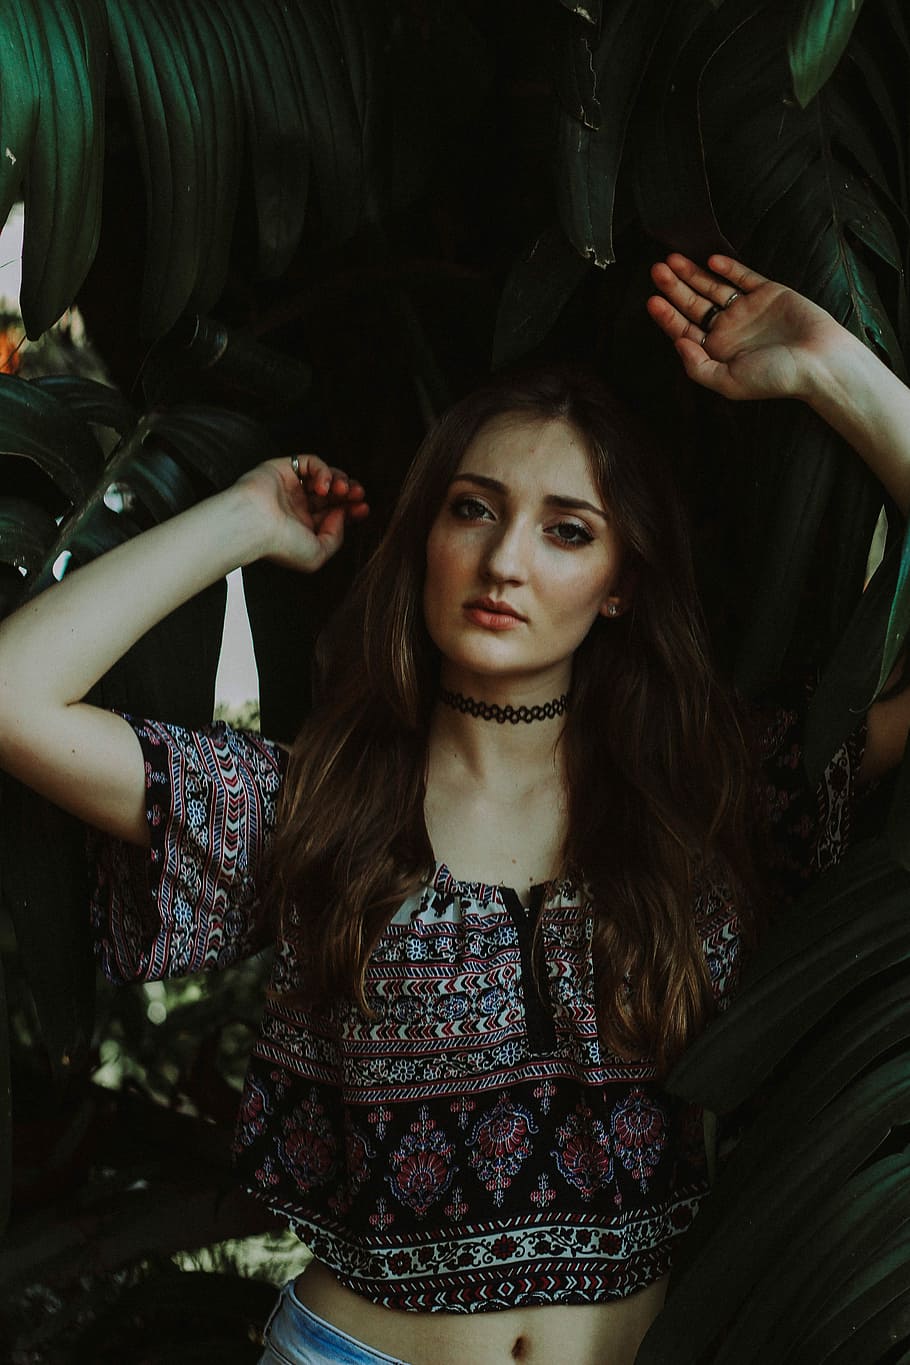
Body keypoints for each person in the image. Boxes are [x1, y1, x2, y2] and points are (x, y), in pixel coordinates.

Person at [0, 252, 908, 1365]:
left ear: (621, 580)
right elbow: (11, 699)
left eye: (567, 529)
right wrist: (243, 523)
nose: (504, 560)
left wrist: (840, 377)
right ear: (426, 537)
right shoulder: (309, 806)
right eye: (473, 509)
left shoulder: (706, 795)